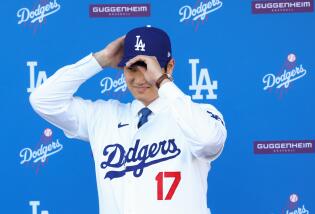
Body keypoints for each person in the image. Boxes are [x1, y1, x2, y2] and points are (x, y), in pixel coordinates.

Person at [29, 26, 227, 214]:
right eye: (132, 68)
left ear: (170, 66)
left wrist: (162, 81)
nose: (140, 79)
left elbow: (208, 141)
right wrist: (100, 60)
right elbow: (43, 100)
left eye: (148, 68)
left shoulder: (198, 114)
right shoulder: (103, 115)